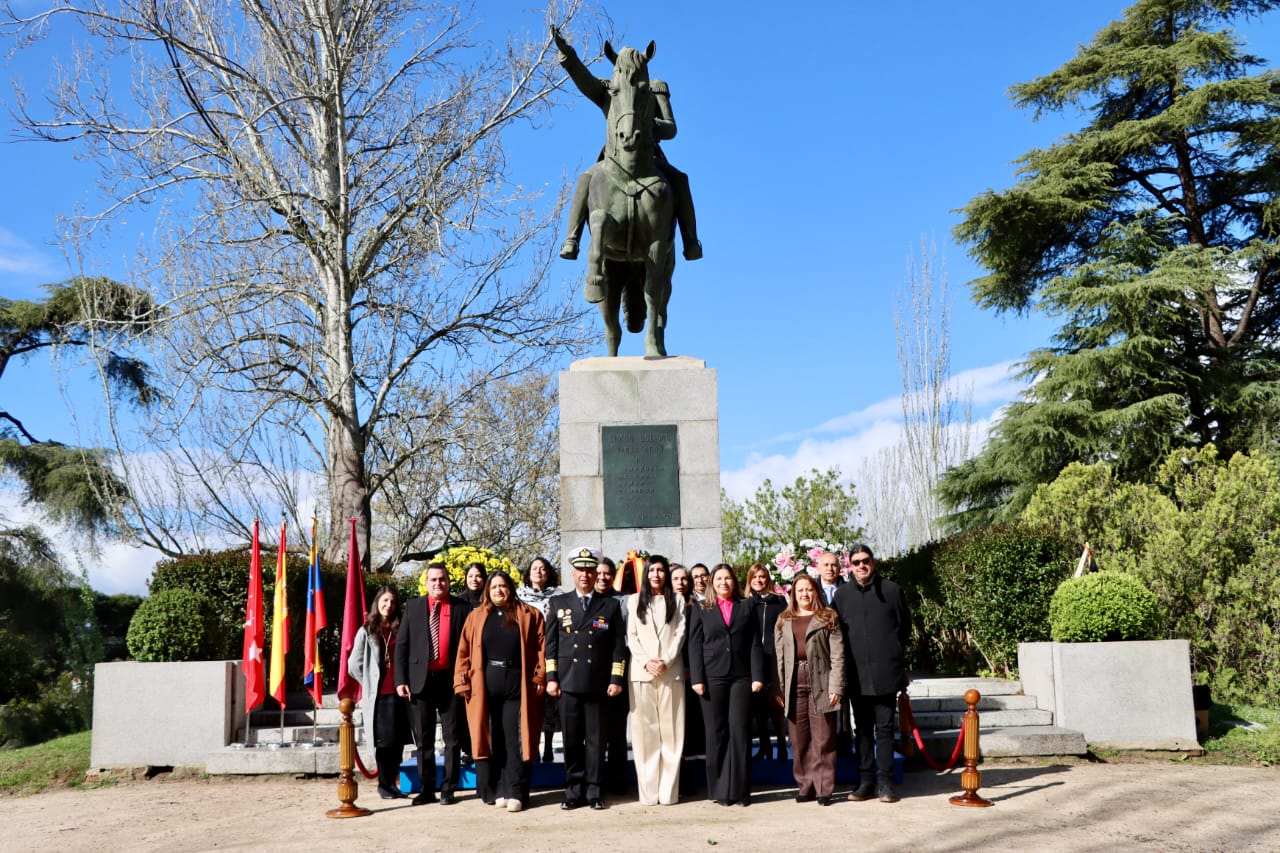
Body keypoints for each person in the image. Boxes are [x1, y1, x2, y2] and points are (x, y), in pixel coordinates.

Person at [551, 26, 702, 264]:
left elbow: (671, 129)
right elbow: (584, 79)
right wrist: (567, 54)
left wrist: (650, 125)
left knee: (680, 179)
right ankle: (572, 239)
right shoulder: (610, 91)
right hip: (614, 158)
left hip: (649, 158)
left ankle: (691, 241)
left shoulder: (655, 89)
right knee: (585, 178)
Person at [453, 571, 546, 812]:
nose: (498, 591)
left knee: (515, 740)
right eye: (494, 587)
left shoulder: (530, 614)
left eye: (503, 586)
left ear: (511, 588)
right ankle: (496, 790)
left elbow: (541, 649)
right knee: (492, 738)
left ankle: (516, 792)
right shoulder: (475, 617)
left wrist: (540, 675)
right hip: (485, 687)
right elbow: (463, 652)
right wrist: (461, 681)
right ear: (487, 591)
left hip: (517, 686)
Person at [545, 547, 627, 810]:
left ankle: (594, 791)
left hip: (598, 684)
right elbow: (551, 645)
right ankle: (573, 791)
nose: (585, 575)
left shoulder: (610, 605)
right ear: (573, 574)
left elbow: (618, 647)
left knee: (596, 742)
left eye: (590, 571)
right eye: (580, 570)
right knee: (571, 741)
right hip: (568, 683)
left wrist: (616, 679)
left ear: (596, 574)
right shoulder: (558, 603)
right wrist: (551, 677)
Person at [832, 544, 910, 804]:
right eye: (856, 562)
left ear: (873, 562)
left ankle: (885, 782)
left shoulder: (892, 590)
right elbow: (836, 634)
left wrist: (894, 657)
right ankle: (865, 781)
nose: (861, 566)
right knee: (863, 730)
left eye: (865, 560)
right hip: (856, 675)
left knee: (885, 729)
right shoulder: (842, 595)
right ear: (850, 566)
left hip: (885, 672)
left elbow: (904, 628)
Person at [396, 562, 472, 805]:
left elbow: (470, 645)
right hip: (421, 681)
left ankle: (449, 788)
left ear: (448, 581)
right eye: (433, 579)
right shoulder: (413, 607)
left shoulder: (462, 607)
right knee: (424, 739)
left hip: (451, 681)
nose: (438, 583)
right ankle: (427, 789)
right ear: (426, 582)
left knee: (453, 738)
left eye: (442, 579)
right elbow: (402, 645)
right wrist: (401, 679)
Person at [689, 564, 764, 807]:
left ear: (734, 581)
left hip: (741, 677)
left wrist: (757, 675)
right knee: (716, 732)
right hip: (712, 677)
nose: (724, 583)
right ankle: (721, 789)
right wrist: (697, 678)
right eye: (719, 578)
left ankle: (741, 791)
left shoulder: (746, 606)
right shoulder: (702, 608)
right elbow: (694, 644)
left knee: (740, 731)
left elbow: (755, 642)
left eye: (728, 578)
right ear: (712, 582)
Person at [774, 574, 845, 805]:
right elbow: (779, 657)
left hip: (821, 680)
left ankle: (823, 788)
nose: (804, 594)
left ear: (816, 591)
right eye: (800, 590)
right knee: (799, 738)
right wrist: (780, 688)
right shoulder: (783, 620)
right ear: (793, 594)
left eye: (809, 589)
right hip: (794, 680)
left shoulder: (828, 617)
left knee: (823, 738)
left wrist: (836, 685)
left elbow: (838, 655)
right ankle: (805, 786)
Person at [626, 554, 687, 805]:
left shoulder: (678, 600)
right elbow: (631, 636)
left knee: (672, 733)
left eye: (661, 570)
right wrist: (646, 661)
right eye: (652, 570)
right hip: (642, 674)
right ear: (646, 574)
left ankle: (668, 792)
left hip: (670, 672)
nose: (656, 575)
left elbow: (680, 633)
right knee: (645, 735)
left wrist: (666, 660)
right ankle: (649, 793)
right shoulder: (634, 601)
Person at [347, 586, 410, 800]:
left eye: (392, 602)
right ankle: (384, 784)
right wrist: (369, 680)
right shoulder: (366, 630)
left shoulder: (400, 627)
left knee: (398, 741)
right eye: (385, 601)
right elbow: (353, 664)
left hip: (400, 692)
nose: (388, 605)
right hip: (380, 695)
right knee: (385, 742)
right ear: (377, 603)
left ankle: (393, 783)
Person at [516, 556, 562, 763]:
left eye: (543, 569)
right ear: (528, 573)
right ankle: (530, 747)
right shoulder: (518, 596)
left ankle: (549, 746)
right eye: (535, 568)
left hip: (552, 652)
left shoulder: (559, 596)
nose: (539, 572)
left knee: (550, 703)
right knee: (530, 702)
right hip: (527, 654)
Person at [594, 554, 630, 795]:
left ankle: (618, 782)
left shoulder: (623, 602)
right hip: (592, 675)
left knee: (617, 731)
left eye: (607, 573)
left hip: (617, 674)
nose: (603, 577)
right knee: (595, 734)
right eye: (599, 573)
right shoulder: (585, 601)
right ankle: (595, 780)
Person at [746, 563, 788, 762]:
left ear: (767, 579)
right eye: (754, 577)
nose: (758, 580)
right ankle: (764, 747)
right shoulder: (746, 603)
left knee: (776, 703)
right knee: (758, 706)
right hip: (754, 659)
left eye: (762, 576)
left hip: (774, 658)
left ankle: (781, 745)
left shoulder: (779, 601)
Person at [670, 564, 705, 762]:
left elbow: (698, 640)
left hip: (692, 668)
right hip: (670, 667)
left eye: (684, 579)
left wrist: (692, 667)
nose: (680, 583)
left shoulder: (696, 605)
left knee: (693, 714)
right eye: (675, 579)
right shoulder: (664, 605)